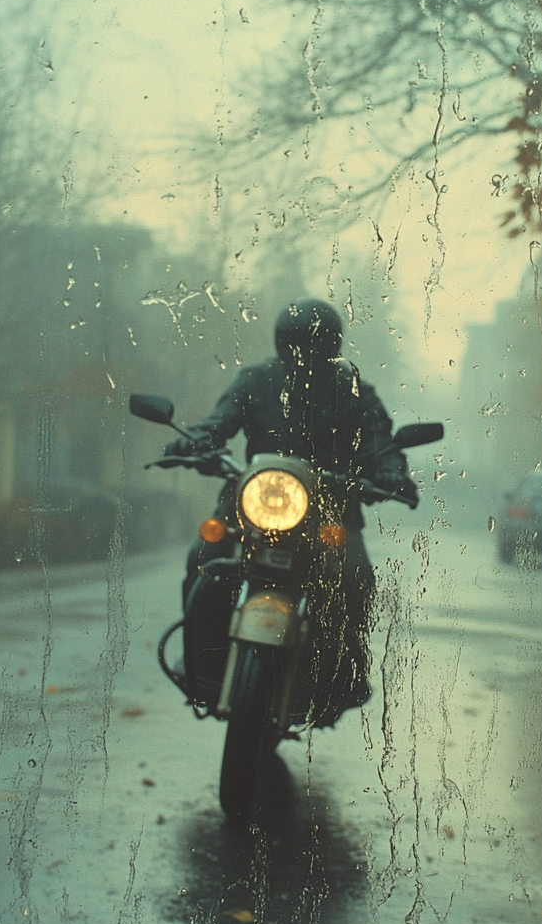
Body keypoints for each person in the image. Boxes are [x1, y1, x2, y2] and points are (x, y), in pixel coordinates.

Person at [165, 297, 418, 725]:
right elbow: (218, 420)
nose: (307, 353)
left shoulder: (352, 388)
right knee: (203, 558)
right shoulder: (257, 380)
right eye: (299, 344)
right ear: (283, 344)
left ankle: (342, 676)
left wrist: (391, 474)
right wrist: (193, 442)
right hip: (252, 503)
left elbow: (379, 440)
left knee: (355, 577)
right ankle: (201, 664)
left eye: (316, 345)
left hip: (329, 510)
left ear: (333, 345)